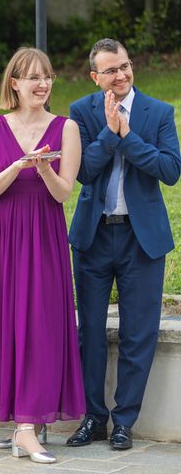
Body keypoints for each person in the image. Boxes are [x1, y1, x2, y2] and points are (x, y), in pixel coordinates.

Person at [0, 47, 85, 464]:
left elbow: (63, 193)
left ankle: (28, 426)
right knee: (7, 324)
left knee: (41, 324)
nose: (42, 84)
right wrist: (17, 167)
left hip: (45, 232)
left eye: (47, 76)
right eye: (33, 77)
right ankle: (22, 424)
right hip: (3, 233)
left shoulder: (66, 127)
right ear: (13, 83)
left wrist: (45, 168)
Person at [67, 38, 181, 451]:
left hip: (142, 237)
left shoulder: (158, 112)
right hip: (93, 237)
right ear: (96, 77)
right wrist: (110, 136)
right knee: (90, 332)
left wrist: (128, 135)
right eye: (111, 70)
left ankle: (124, 422)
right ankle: (94, 417)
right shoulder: (81, 112)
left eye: (126, 66)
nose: (122, 75)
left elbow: (170, 170)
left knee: (139, 334)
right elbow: (82, 171)